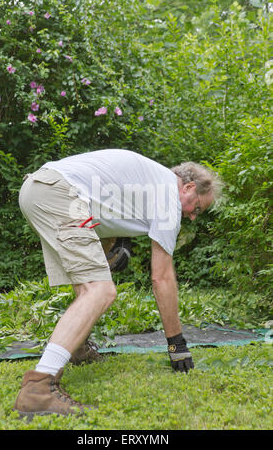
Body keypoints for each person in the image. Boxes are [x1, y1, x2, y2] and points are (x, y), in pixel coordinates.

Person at [13, 149, 222, 418]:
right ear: (189, 187)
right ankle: (38, 389)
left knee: (87, 286)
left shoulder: (150, 181)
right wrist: (176, 345)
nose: (193, 216)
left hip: (38, 188)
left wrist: (109, 244)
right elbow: (162, 277)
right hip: (59, 193)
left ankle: (76, 348)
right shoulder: (168, 196)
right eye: (197, 208)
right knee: (100, 291)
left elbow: (98, 209)